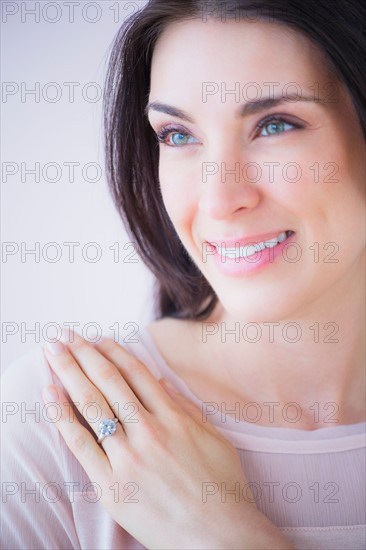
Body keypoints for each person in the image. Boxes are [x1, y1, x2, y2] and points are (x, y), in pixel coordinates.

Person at [2, 0, 365, 548]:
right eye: (177, 135)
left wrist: (226, 535)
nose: (219, 200)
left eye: (275, 124)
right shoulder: (58, 421)